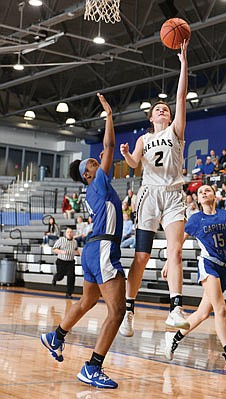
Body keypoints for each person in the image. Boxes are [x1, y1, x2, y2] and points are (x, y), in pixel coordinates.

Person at [41, 94, 126, 389]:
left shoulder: (93, 190)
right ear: (88, 175)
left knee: (88, 300)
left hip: (92, 249)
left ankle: (56, 336)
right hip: (102, 247)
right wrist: (109, 115)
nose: (96, 160)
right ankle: (92, 367)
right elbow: (109, 146)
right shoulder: (98, 182)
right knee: (117, 312)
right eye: (91, 163)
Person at [119, 39, 190, 337]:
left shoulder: (176, 131)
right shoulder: (143, 140)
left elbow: (181, 96)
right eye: (157, 110)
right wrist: (126, 156)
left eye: (165, 109)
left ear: (170, 116)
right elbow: (135, 163)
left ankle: (176, 308)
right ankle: (128, 310)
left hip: (174, 195)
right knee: (142, 257)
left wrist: (184, 64)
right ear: (150, 118)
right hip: (149, 196)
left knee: (175, 252)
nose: (162, 110)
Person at [164, 185, 226, 370]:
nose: (204, 193)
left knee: (203, 313)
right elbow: (178, 242)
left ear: (215, 195)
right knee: (220, 309)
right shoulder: (195, 219)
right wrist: (168, 262)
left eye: (207, 190)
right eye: (200, 192)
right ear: (197, 199)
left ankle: (175, 338)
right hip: (208, 264)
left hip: (225, 267)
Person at [52, 228, 80, 298]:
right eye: (68, 232)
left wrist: (80, 253)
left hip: (70, 262)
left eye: (71, 232)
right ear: (65, 233)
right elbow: (54, 249)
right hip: (61, 261)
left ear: (73, 233)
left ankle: (69, 293)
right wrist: (62, 252)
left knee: (71, 278)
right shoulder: (61, 240)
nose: (69, 233)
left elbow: (76, 249)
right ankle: (55, 278)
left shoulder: (75, 241)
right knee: (60, 277)